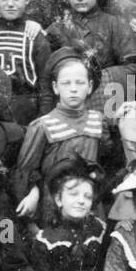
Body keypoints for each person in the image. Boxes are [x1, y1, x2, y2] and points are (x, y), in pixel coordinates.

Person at [13, 48, 110, 219]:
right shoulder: (43, 126)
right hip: (54, 203)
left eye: (80, 83)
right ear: (55, 87)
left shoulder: (98, 121)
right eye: (66, 83)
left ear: (90, 87)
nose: (73, 89)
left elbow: (105, 160)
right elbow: (27, 171)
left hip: (88, 200)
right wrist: (33, 193)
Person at [43, 0, 136, 113]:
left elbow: (134, 66)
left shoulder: (115, 24)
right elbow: (46, 77)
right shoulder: (55, 30)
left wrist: (101, 78)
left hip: (108, 104)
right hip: (69, 107)